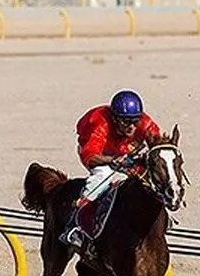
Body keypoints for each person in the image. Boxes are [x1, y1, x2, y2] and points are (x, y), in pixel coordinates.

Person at [60, 89, 162, 254]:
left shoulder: (145, 124)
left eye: (135, 121)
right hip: (100, 153)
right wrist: (112, 160)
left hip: (124, 151)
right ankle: (74, 227)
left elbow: (158, 145)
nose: (131, 127)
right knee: (103, 176)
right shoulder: (101, 124)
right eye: (125, 122)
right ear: (114, 119)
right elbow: (90, 156)